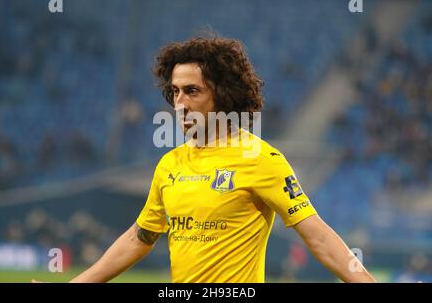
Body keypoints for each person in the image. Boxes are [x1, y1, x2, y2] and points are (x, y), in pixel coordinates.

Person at [39, 37, 377, 283]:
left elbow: (317, 235)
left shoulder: (261, 159)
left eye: (192, 91)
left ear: (223, 93)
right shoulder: (169, 165)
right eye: (175, 92)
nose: (179, 103)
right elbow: (138, 238)